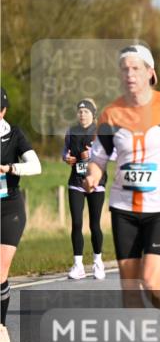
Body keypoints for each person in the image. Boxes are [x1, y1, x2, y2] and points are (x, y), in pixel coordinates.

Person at [85, 45, 160, 342]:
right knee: (129, 285)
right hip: (123, 207)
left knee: (150, 279)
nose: (129, 74)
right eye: (124, 69)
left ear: (150, 73)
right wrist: (93, 174)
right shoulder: (111, 113)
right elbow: (98, 157)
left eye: (136, 68)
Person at [0, 87, 43, 342]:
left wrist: (11, 167)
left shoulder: (14, 135)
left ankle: (0, 326)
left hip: (9, 210)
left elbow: (36, 165)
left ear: (3, 111)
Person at [63, 98, 106, 280]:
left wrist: (92, 154)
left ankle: (98, 262)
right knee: (76, 223)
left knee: (94, 224)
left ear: (93, 114)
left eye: (86, 111)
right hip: (76, 182)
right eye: (80, 112)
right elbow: (65, 152)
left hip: (96, 183)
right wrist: (66, 157)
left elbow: (108, 155)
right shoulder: (71, 131)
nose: (82, 114)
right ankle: (78, 265)